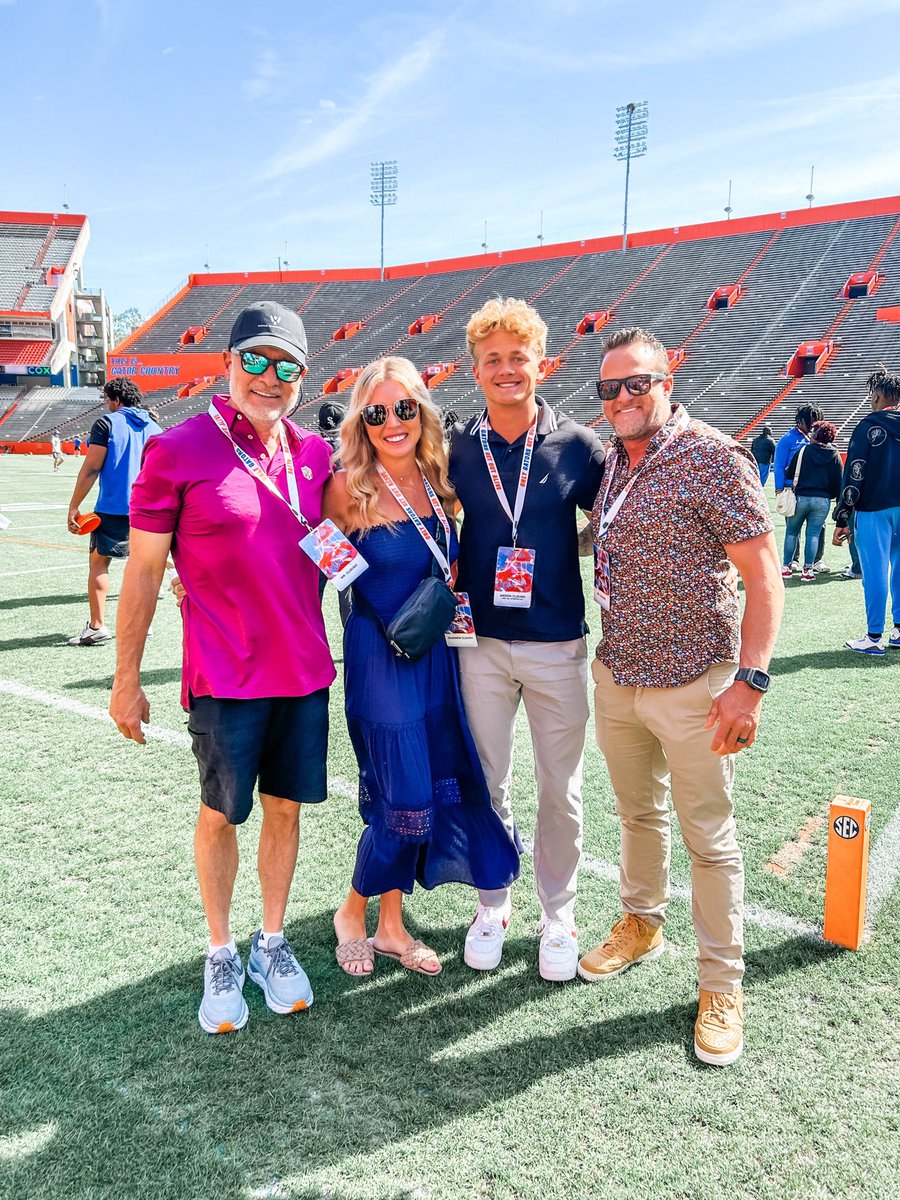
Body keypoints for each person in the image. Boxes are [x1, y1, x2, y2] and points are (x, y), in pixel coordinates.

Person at [109, 301, 336, 1034]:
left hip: (304, 671)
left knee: (285, 810)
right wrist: (126, 677)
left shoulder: (315, 455)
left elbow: (342, 548)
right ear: (228, 365)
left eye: (287, 367)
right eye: (257, 361)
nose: (270, 378)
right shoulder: (177, 450)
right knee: (220, 815)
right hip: (225, 677)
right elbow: (144, 573)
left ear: (304, 378)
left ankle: (272, 939)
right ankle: (220, 949)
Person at [578, 326, 783, 1067]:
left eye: (638, 383)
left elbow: (765, 577)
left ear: (668, 380)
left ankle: (722, 986)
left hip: (697, 681)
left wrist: (749, 683)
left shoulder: (709, 456)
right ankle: (641, 922)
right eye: (611, 388)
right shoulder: (617, 463)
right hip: (620, 673)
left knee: (710, 840)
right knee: (638, 814)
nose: (624, 397)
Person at [325, 357, 520, 977]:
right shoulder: (347, 485)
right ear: (363, 420)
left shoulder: (438, 481)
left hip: (435, 653)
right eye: (376, 412)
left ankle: (389, 925)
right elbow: (331, 570)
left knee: (427, 791)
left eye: (403, 408)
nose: (391, 422)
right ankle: (351, 912)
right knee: (403, 794)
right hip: (380, 655)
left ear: (422, 412)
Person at [448, 297, 606, 981]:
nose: (507, 369)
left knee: (560, 790)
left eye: (519, 357)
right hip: (478, 642)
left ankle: (560, 915)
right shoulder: (456, 444)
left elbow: (615, 515)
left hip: (555, 641)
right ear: (475, 370)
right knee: (486, 782)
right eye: (493, 360)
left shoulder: (577, 443)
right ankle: (493, 902)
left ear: (542, 363)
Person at [65, 381, 162, 645]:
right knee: (143, 567)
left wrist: (74, 505)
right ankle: (144, 624)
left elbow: (91, 468)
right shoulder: (155, 426)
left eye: (107, 398)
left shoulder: (106, 423)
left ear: (116, 399)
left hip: (114, 506)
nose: (105, 403)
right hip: (150, 509)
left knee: (99, 563)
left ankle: (97, 627)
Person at [835, 365, 900, 655]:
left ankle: (874, 637)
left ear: (877, 396)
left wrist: (843, 516)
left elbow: (855, 473)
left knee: (875, 572)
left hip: (874, 508)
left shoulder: (867, 426)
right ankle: (898, 632)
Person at [782, 421, 842, 582]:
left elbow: (789, 473)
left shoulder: (803, 450)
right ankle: (808, 569)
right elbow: (838, 481)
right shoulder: (834, 454)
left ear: (815, 435)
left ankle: (786, 567)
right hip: (822, 500)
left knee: (792, 532)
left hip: (801, 497)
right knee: (813, 534)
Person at [774, 403, 828, 574]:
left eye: (817, 420)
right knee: (793, 526)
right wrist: (779, 488)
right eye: (811, 421)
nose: (814, 424)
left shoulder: (819, 438)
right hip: (793, 490)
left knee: (819, 527)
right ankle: (793, 560)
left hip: (816, 490)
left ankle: (817, 560)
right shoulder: (788, 439)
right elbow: (779, 464)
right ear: (800, 421)